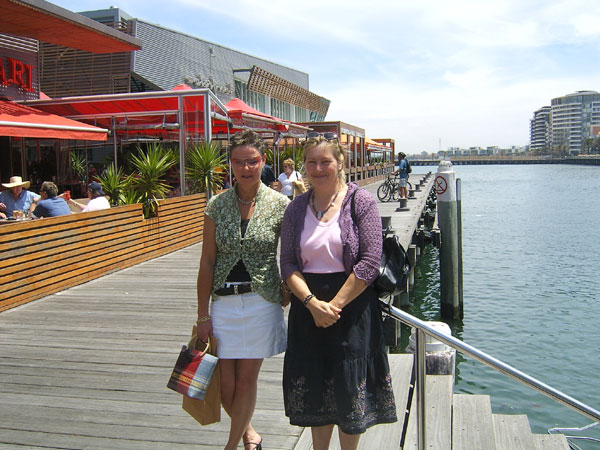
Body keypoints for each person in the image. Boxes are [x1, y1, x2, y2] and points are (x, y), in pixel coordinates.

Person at [280, 133, 397, 450]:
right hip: (308, 310)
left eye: (325, 161)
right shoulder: (295, 209)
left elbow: (370, 261)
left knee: (348, 392)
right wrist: (312, 303)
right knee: (316, 391)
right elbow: (288, 264)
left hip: (351, 308)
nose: (318, 169)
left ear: (340, 162)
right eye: (311, 162)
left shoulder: (361, 201)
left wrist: (333, 306)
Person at [196, 130, 289, 450]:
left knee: (247, 380)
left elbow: (292, 254)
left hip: (262, 300)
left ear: (263, 161)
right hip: (223, 302)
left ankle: (232, 446)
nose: (246, 168)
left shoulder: (280, 204)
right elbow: (207, 261)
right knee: (226, 387)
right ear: (230, 165)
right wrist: (202, 315)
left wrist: (288, 289)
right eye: (239, 162)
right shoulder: (217, 205)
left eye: (252, 161)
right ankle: (251, 434)